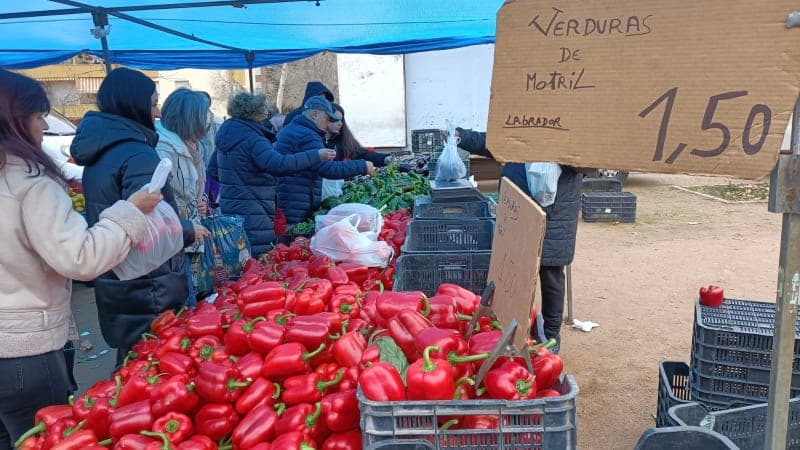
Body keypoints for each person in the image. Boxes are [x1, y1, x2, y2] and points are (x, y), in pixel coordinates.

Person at [0, 69, 161, 448]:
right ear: (14, 119)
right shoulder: (29, 185)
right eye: (39, 117)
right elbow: (81, 258)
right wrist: (130, 212)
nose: (43, 127)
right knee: (39, 438)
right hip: (24, 350)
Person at [70, 68, 203, 366]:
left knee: (133, 364)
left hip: (117, 275)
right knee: (153, 365)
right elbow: (149, 223)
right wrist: (187, 230)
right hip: (149, 283)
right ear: (134, 103)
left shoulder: (101, 150)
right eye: (153, 102)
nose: (156, 112)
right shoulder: (137, 154)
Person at [456, 127, 584, 352]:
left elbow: (589, 161)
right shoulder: (524, 115)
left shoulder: (575, 116)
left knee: (550, 272)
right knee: (514, 272)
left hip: (555, 209)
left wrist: (556, 152)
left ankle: (551, 337)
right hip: (517, 203)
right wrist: (463, 137)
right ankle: (515, 330)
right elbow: (498, 141)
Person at [207, 92, 336, 256]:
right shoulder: (254, 139)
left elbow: (213, 171)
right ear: (254, 112)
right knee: (257, 257)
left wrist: (238, 182)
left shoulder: (225, 134)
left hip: (230, 206)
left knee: (238, 254)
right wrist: (316, 155)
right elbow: (278, 164)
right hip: (255, 208)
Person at [276, 96, 375, 226]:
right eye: (327, 118)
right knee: (293, 238)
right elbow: (327, 169)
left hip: (291, 198)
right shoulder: (306, 134)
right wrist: (362, 166)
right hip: (295, 201)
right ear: (315, 114)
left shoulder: (295, 129)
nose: (328, 124)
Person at [155, 88, 213, 303]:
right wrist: (186, 211)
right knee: (186, 298)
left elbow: (195, 184)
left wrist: (201, 200)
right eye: (203, 115)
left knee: (196, 294)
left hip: (189, 231)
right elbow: (161, 196)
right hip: (174, 237)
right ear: (191, 118)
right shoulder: (163, 148)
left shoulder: (193, 146)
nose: (207, 121)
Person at [327, 103, 392, 166]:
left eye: (341, 120)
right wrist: (361, 167)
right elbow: (330, 167)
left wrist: (384, 159)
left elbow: (361, 153)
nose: (340, 124)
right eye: (335, 119)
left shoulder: (340, 139)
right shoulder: (318, 141)